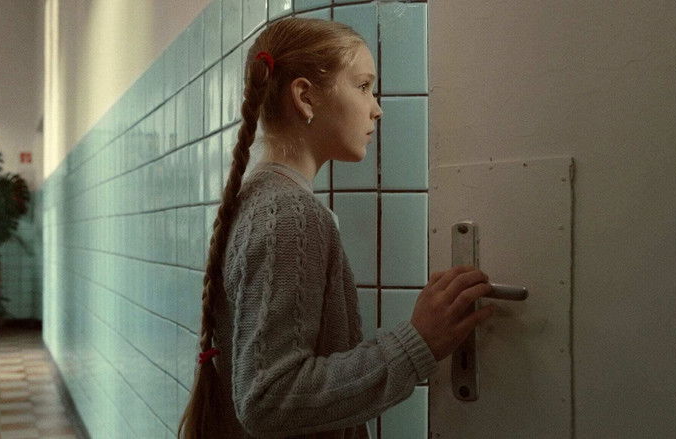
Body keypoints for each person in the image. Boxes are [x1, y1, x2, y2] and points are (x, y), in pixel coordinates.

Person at [178, 17, 497, 439]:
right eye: (363, 86)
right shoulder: (289, 214)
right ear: (305, 97)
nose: (377, 108)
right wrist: (417, 342)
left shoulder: (261, 197)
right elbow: (268, 399)